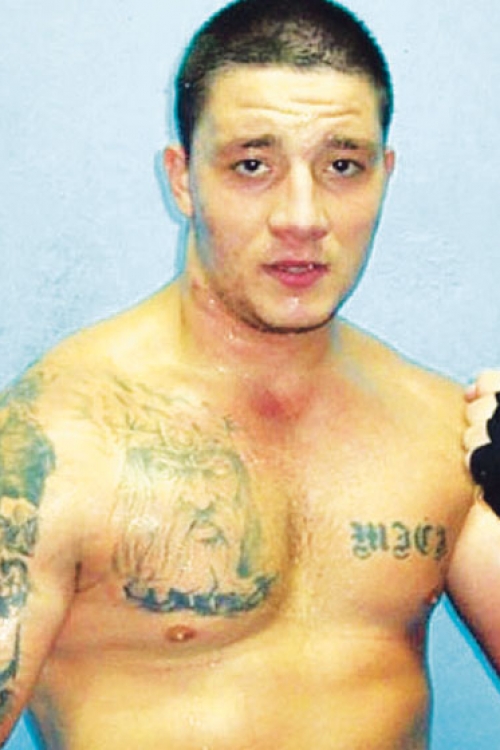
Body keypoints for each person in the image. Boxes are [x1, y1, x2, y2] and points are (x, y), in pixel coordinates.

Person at [1, 0, 499, 747]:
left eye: (342, 166)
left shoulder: (441, 431)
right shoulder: (55, 443)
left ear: (384, 175)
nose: (302, 216)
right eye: (252, 165)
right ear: (182, 180)